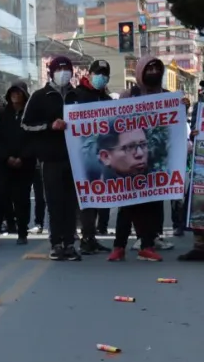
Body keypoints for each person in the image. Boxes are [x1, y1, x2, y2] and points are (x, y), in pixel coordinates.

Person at [107, 55, 181, 262]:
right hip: (131, 158)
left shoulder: (167, 96)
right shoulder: (129, 95)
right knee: (127, 203)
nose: (152, 73)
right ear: (140, 72)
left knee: (150, 203)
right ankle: (119, 246)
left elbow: (172, 128)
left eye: (156, 69)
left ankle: (147, 244)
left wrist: (180, 106)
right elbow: (115, 124)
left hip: (153, 158)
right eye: (148, 70)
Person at [22, 55, 82, 261]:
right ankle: (56, 243)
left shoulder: (77, 96)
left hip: (74, 159)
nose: (63, 73)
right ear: (51, 73)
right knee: (55, 202)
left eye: (67, 70)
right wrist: (49, 126)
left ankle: (70, 243)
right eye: (59, 69)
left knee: (71, 203)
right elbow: (26, 124)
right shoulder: (40, 96)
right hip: (50, 159)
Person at [0, 81, 32, 246]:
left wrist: (23, 158)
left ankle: (22, 233)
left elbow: (33, 140)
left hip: (25, 165)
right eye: (13, 92)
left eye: (18, 93)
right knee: (0, 198)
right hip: (4, 165)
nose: (15, 96)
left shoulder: (31, 115)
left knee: (22, 200)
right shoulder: (2, 115)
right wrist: (6, 157)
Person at [74, 60, 113, 254]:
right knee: (85, 198)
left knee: (96, 197)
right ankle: (84, 237)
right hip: (81, 156)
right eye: (98, 73)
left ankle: (90, 236)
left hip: (102, 157)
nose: (101, 77)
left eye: (104, 74)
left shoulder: (107, 100)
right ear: (89, 74)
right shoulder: (77, 96)